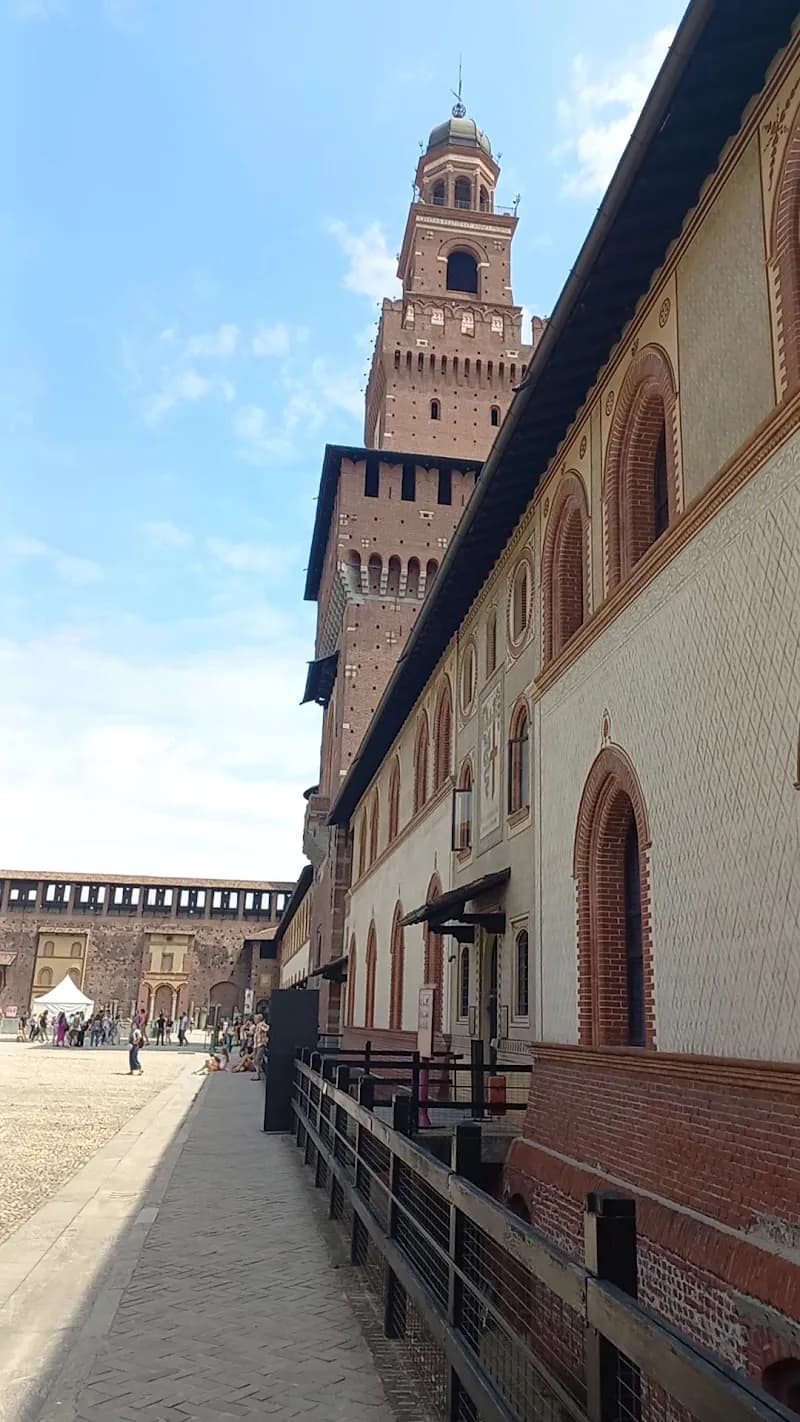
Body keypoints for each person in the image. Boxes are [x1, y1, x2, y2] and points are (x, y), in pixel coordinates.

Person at [252, 1014, 269, 1080]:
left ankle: (257, 1075)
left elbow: (267, 1028)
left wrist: (264, 1032)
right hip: (257, 1045)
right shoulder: (257, 1025)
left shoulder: (261, 1024)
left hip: (260, 1044)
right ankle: (257, 1074)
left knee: (257, 1060)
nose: (254, 1020)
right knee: (256, 1060)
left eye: (255, 1019)